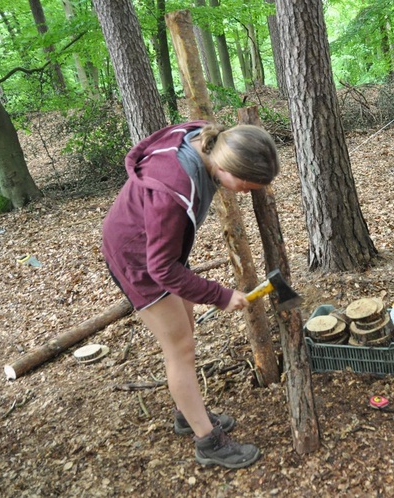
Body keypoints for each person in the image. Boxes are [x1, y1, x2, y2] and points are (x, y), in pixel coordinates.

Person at [101, 121, 280, 469]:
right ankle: (207, 441)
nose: (244, 192)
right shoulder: (172, 190)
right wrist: (220, 295)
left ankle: (188, 410)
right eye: (244, 186)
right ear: (225, 168)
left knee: (186, 333)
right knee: (179, 349)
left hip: (157, 249)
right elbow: (162, 270)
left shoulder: (209, 140)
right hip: (137, 259)